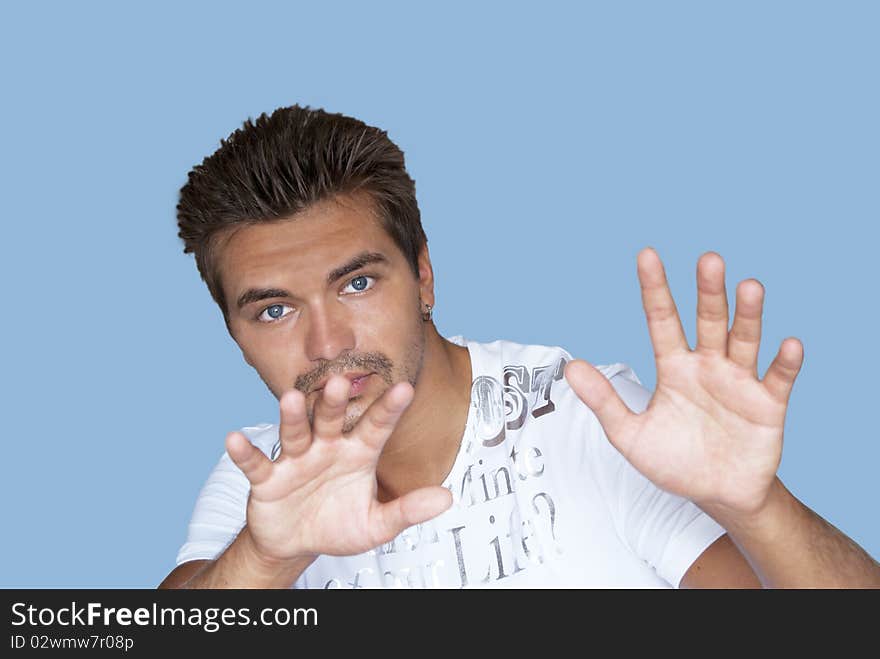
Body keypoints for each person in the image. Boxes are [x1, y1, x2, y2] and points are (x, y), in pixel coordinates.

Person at [159, 105, 880, 589]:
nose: (327, 343)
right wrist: (267, 557)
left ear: (424, 276)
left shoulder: (585, 422)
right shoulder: (263, 485)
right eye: (276, 309)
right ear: (235, 334)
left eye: (356, 284)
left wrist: (757, 507)